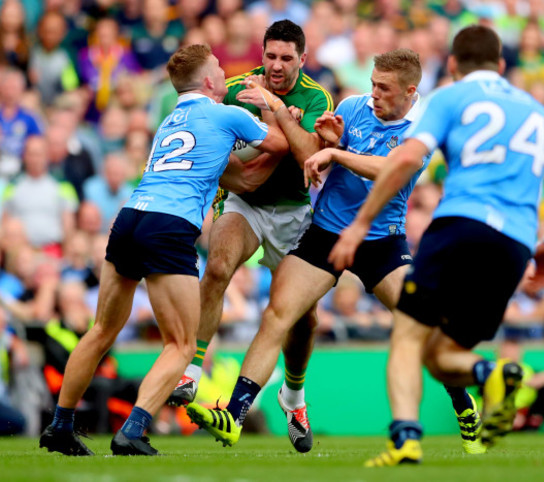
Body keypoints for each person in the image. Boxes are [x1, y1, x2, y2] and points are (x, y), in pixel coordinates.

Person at [185, 48, 485, 456]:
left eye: (384, 88)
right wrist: (326, 139)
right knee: (278, 313)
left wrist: (337, 152)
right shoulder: (353, 107)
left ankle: (463, 404)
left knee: (424, 326)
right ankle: (234, 416)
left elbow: (391, 172)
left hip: (381, 241)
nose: (373, 93)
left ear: (410, 91)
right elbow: (319, 156)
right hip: (326, 233)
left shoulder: (423, 127)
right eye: (373, 83)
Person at [327, 25, 544, 466]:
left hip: (460, 226)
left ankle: (406, 438)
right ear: (503, 66)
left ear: (452, 65)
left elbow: (407, 159)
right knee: (445, 353)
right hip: (515, 243)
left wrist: (359, 225)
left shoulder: (450, 97)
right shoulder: (536, 110)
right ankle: (492, 373)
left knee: (409, 337)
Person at [38, 43, 288, 457]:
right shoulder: (227, 113)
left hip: (130, 217)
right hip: (170, 226)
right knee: (182, 345)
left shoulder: (169, 122)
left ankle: (60, 426)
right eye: (220, 69)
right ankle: (133, 430)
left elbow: (238, 180)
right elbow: (280, 145)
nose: (226, 74)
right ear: (208, 81)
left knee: (101, 331)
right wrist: (274, 105)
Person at [168, 21, 333, 444]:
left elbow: (309, 158)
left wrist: (275, 110)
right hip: (244, 203)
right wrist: (243, 166)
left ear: (302, 58)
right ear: (262, 52)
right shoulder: (236, 87)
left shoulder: (316, 97)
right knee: (219, 265)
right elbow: (208, 135)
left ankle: (293, 397)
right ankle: (190, 369)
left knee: (303, 318)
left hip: (296, 211)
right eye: (270, 56)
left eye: (286, 58)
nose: (276, 66)